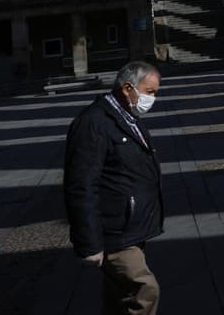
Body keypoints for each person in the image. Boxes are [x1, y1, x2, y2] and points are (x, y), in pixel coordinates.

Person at [64, 60, 165, 314]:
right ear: (128, 88)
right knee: (145, 290)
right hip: (114, 232)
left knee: (119, 297)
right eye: (149, 91)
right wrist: (89, 243)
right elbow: (81, 185)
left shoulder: (128, 116)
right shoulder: (94, 123)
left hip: (130, 227)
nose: (152, 99)